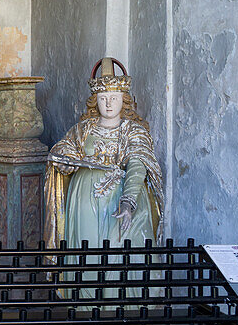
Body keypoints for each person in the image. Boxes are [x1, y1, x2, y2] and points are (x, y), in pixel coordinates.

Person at [44, 57, 164, 249]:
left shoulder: (134, 131)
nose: (108, 104)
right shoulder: (83, 129)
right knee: (87, 245)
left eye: (114, 98)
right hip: (84, 197)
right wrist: (66, 160)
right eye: (103, 99)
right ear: (95, 101)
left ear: (123, 100)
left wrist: (128, 201)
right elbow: (63, 148)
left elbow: (137, 163)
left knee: (123, 245)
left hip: (123, 195)